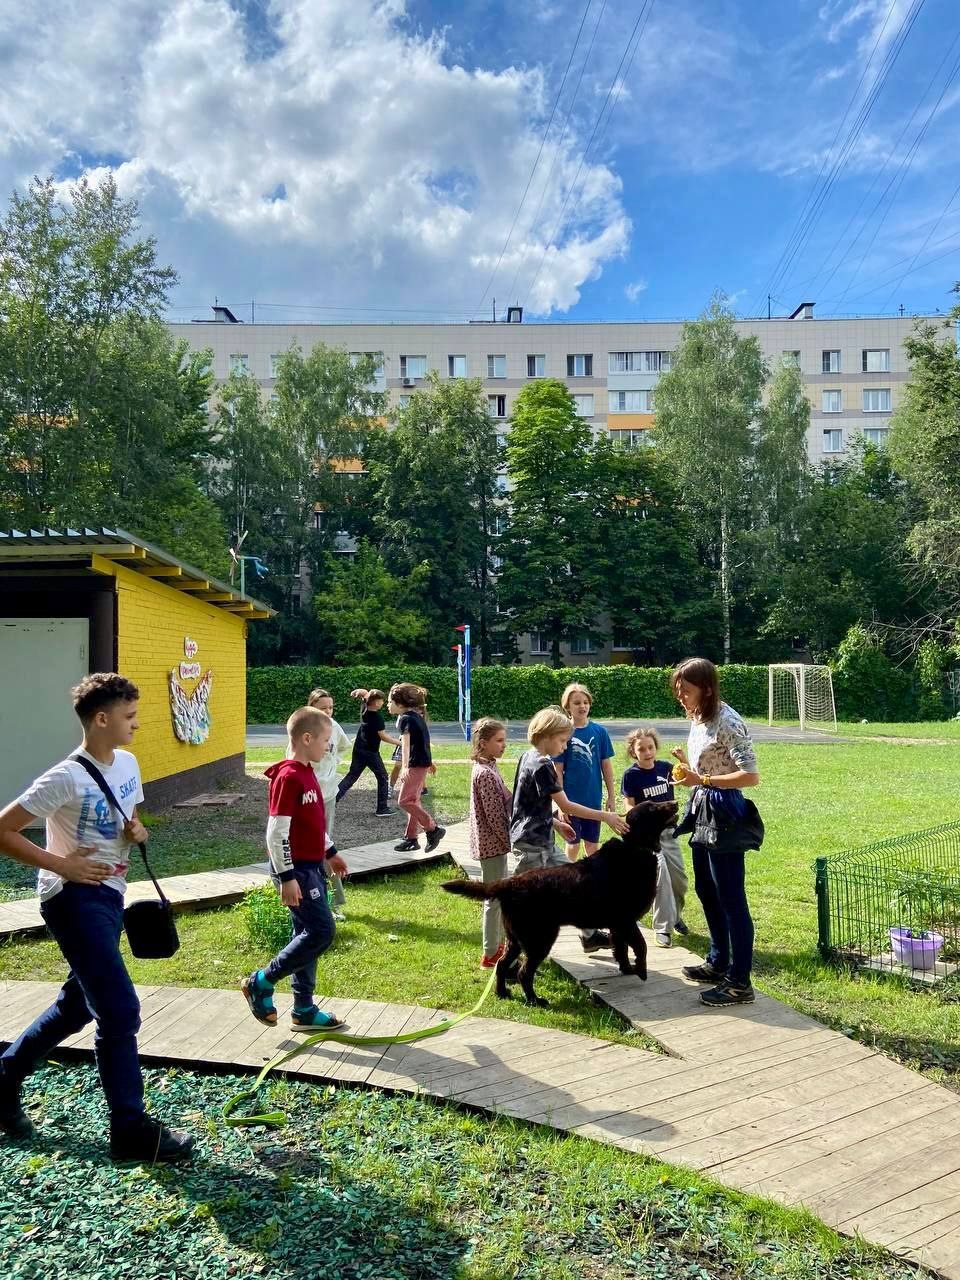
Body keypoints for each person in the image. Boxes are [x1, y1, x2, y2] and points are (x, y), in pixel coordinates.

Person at [0, 673, 193, 1161]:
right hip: (71, 897)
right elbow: (3, 829)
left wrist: (137, 832)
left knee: (77, 1005)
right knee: (119, 1010)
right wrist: (63, 863)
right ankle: (130, 1129)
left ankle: (3, 1078)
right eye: (129, 717)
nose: (137, 724)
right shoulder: (65, 776)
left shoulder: (127, 762)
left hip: (110, 895)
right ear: (101, 719)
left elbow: (129, 820)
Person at [243, 706, 350, 1031]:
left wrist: (330, 851)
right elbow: (277, 833)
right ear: (306, 738)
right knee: (321, 930)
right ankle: (262, 980)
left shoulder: (307, 773)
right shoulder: (289, 777)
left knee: (306, 934)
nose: (328, 747)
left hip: (309, 866)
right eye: (326, 741)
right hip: (296, 870)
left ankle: (303, 1009)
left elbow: (312, 823)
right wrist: (287, 877)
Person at [670, 657, 764, 1008]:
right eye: (678, 689)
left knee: (731, 898)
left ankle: (740, 982)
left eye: (687, 690)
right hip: (702, 808)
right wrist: (690, 771)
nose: (681, 696)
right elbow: (705, 765)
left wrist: (703, 780)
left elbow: (750, 775)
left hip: (725, 813)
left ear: (706, 689)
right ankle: (718, 961)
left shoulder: (728, 721)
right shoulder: (698, 718)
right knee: (706, 888)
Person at [510, 706, 628, 953]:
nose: (565, 747)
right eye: (563, 741)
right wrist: (605, 816)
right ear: (548, 735)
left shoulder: (527, 756)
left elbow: (528, 804)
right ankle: (513, 957)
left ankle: (590, 935)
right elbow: (566, 805)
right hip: (530, 847)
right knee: (526, 903)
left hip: (544, 839)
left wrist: (555, 823)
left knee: (578, 881)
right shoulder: (543, 765)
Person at [621, 726, 689, 949]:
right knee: (662, 879)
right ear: (634, 752)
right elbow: (628, 803)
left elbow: (686, 778)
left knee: (679, 881)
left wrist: (682, 759)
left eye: (650, 747)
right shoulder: (631, 775)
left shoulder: (665, 768)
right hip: (648, 838)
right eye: (642, 749)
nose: (647, 752)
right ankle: (663, 928)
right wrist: (629, 813)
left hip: (669, 833)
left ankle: (675, 915)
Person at [288, 688, 350, 919]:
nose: (328, 712)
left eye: (331, 708)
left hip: (328, 795)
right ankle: (319, 902)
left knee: (325, 847)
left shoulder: (335, 728)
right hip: (309, 796)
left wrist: (334, 762)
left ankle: (332, 902)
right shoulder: (304, 733)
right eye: (323, 708)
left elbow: (343, 746)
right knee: (318, 849)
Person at [468, 718, 512, 968]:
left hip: (492, 843)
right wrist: (509, 839)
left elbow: (504, 796)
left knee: (498, 897)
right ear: (483, 743)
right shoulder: (484, 773)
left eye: (504, 740)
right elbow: (494, 815)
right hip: (491, 844)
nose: (503, 745)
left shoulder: (489, 766)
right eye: (499, 741)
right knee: (493, 899)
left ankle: (497, 944)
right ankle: (491, 952)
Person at [390, 683, 444, 854]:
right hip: (421, 763)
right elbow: (423, 741)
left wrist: (405, 767)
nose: (387, 705)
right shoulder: (416, 716)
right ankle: (412, 838)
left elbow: (406, 745)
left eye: (390, 702)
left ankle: (433, 829)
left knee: (404, 801)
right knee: (413, 801)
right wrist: (430, 762)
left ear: (400, 704)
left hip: (415, 764)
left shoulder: (405, 718)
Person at [335, 689, 399, 818]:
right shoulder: (377, 718)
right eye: (381, 700)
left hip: (359, 748)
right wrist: (400, 743)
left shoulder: (364, 709)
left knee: (352, 776)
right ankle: (382, 808)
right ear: (375, 703)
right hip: (370, 752)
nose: (383, 703)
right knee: (382, 777)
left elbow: (365, 697)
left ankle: (332, 801)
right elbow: (383, 737)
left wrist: (362, 692)